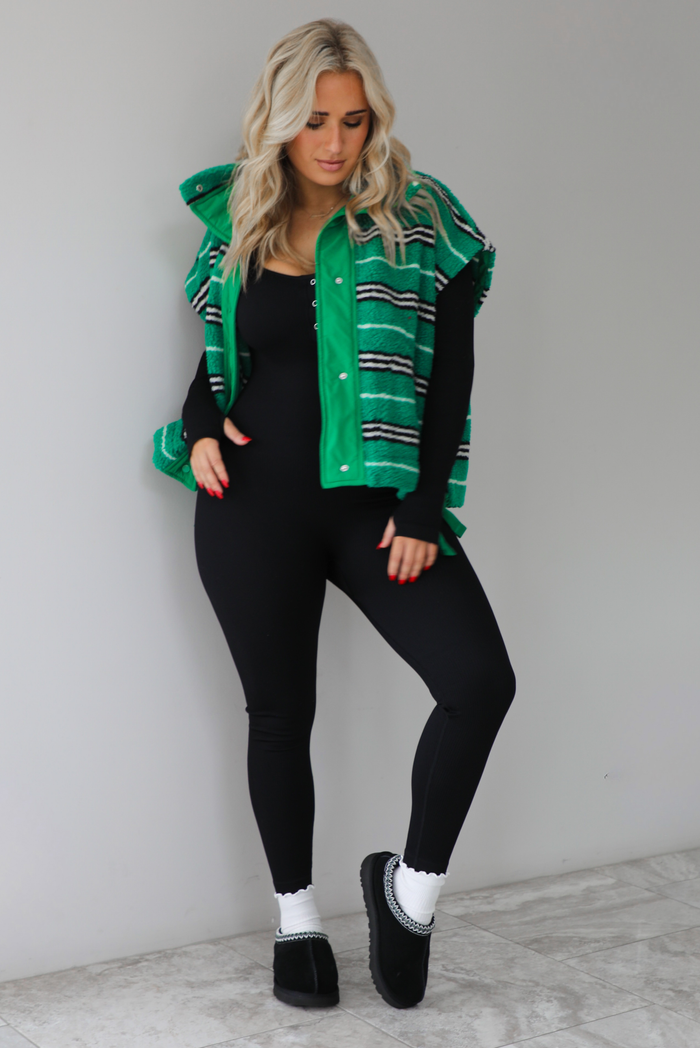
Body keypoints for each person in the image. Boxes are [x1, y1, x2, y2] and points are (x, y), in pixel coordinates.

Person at [152, 17, 516, 1011]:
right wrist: (197, 436)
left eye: (354, 121)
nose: (335, 142)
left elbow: (450, 379)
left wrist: (423, 506)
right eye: (314, 121)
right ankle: (297, 923)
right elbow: (216, 373)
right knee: (280, 713)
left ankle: (409, 892)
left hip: (375, 508)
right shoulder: (240, 224)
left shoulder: (415, 215)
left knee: (479, 681)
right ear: (279, 121)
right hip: (251, 506)